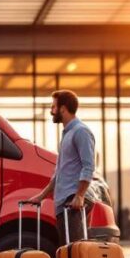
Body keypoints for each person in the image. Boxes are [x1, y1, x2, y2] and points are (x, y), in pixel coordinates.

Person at [25, 90, 96, 246]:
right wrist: (42, 196)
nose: (52, 111)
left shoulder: (81, 132)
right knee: (66, 250)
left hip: (73, 200)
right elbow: (59, 173)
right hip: (65, 202)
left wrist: (79, 195)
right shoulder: (67, 135)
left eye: (53, 107)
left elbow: (89, 165)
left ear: (63, 108)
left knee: (75, 251)